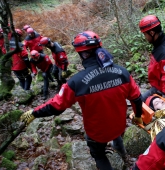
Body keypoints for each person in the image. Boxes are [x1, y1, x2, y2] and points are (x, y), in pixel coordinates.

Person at [20, 30, 143, 170]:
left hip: (97, 133)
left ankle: (116, 157)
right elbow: (137, 98)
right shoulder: (123, 73)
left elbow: (56, 106)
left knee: (99, 155)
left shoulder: (76, 82)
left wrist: (34, 113)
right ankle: (123, 156)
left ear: (82, 54)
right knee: (117, 136)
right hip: (119, 125)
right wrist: (138, 116)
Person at [139, 15, 165, 102]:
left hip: (161, 89)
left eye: (145, 34)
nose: (145, 37)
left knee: (140, 103)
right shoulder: (163, 41)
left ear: (152, 33)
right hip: (157, 84)